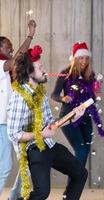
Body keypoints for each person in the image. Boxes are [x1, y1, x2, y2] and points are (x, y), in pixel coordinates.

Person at [7, 45, 88, 200]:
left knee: (80, 174)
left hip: (48, 144)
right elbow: (13, 133)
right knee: (42, 193)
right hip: (34, 149)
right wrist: (40, 134)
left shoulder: (40, 93)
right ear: (29, 72)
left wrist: (74, 116)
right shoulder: (19, 97)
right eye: (40, 67)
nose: (44, 70)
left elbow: (52, 123)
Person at [51, 42, 104, 167]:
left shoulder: (90, 75)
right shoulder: (65, 74)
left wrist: (97, 95)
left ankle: (75, 184)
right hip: (69, 117)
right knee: (81, 150)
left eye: (87, 58)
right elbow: (54, 95)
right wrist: (63, 98)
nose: (84, 61)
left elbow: (93, 98)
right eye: (81, 58)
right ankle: (74, 184)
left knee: (84, 150)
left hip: (85, 116)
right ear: (75, 58)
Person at [0, 19, 36, 200]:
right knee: (5, 167)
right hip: (3, 124)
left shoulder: (9, 72)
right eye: (8, 47)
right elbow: (18, 58)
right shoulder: (0, 66)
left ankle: (13, 198)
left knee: (27, 164)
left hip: (15, 123)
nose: (11, 50)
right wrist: (30, 36)